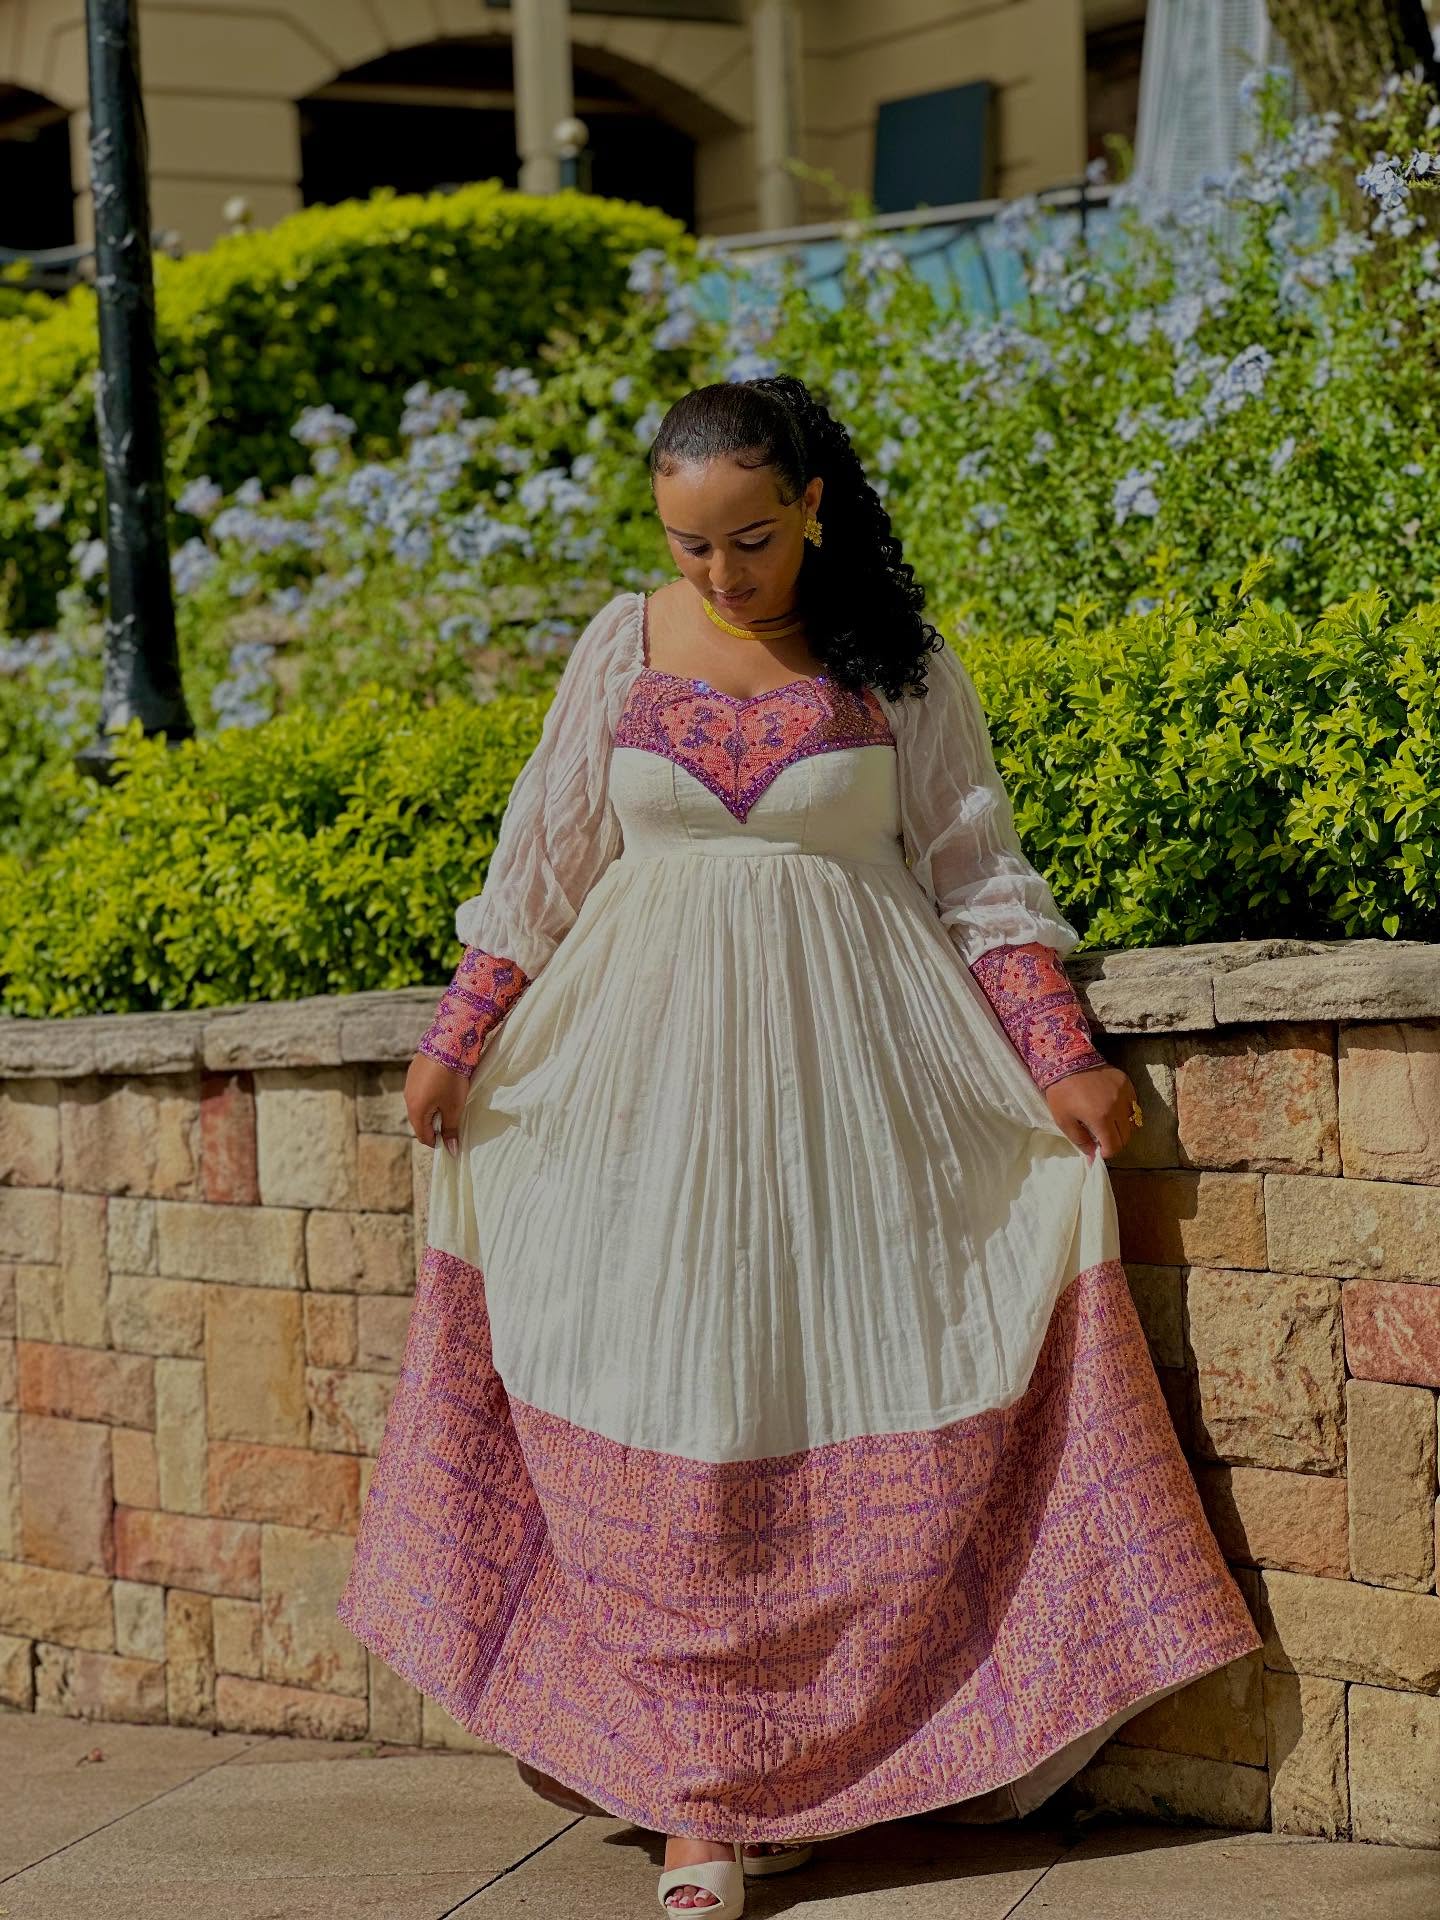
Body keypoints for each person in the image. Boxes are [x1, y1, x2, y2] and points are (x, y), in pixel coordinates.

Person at [336, 375, 1262, 1916]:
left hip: (865, 1095)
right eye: (692, 547)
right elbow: (547, 853)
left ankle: (860, 1757)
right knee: (668, 1389)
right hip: (639, 1102)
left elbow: (977, 869)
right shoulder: (620, 648)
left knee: (848, 1372)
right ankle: (696, 1799)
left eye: (751, 541)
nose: (720, 576)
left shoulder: (896, 660)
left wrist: (1063, 1055)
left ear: (814, 506)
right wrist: (459, 1032)